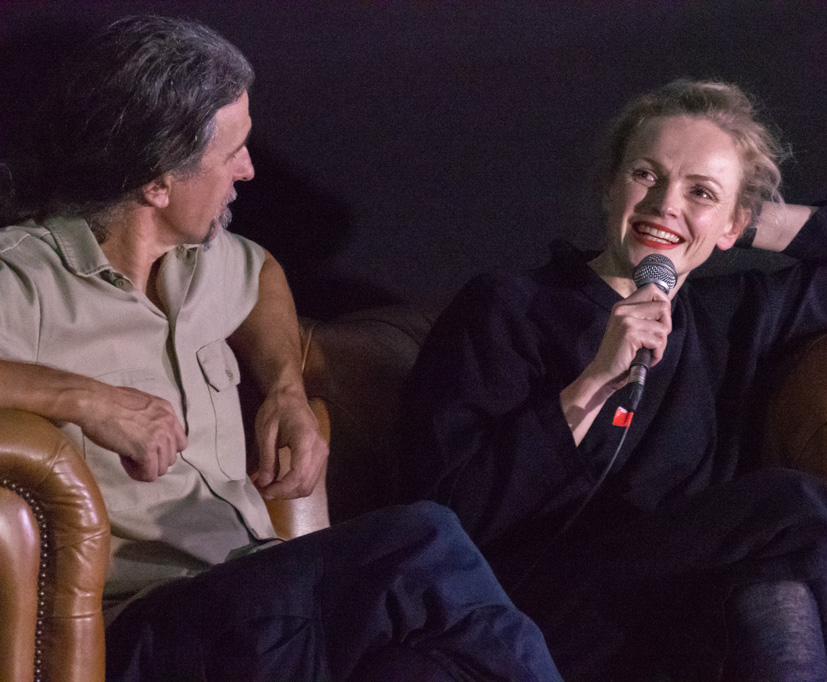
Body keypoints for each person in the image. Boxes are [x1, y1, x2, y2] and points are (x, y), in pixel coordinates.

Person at [0, 15, 562, 682]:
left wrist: (287, 391)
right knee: (424, 545)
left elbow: (262, 272)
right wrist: (86, 399)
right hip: (145, 626)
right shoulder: (27, 277)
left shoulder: (203, 259)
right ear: (157, 181)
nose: (249, 169)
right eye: (232, 152)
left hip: (258, 594)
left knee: (424, 668)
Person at [393, 79, 827, 681]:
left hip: (674, 609)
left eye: (698, 190)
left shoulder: (728, 317)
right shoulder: (509, 307)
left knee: (777, 588)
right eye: (645, 175)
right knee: (789, 503)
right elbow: (447, 511)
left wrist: (731, 218)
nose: (663, 204)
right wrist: (594, 382)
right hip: (529, 609)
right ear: (610, 187)